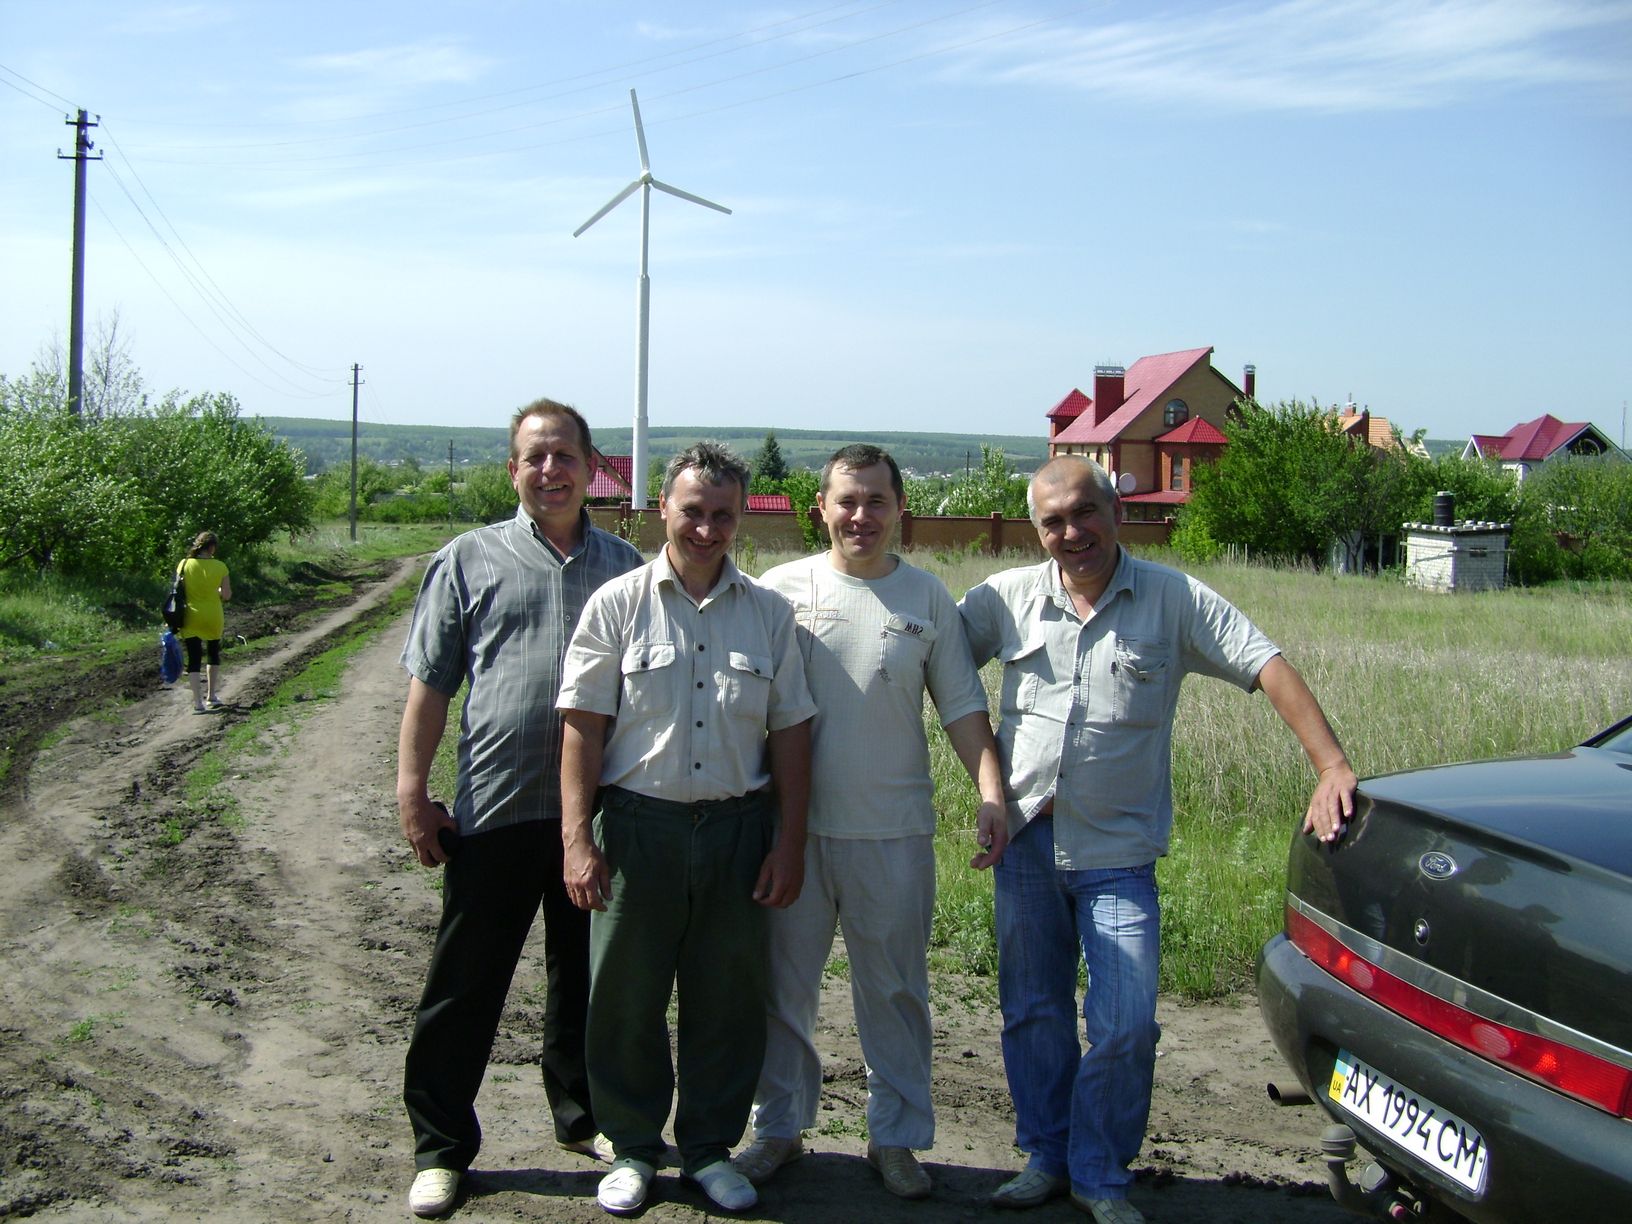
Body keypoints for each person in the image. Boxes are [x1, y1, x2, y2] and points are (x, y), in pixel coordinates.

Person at [957, 455, 1357, 1224]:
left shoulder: (1173, 599)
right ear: (1037, 531)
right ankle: (1046, 1157)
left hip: (1118, 855)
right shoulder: (1004, 600)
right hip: (1028, 844)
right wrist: (986, 786)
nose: (1072, 533)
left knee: (1127, 1022)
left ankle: (1100, 1173)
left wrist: (1331, 764)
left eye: (1085, 513)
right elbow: (937, 667)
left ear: (1117, 512)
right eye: (1053, 522)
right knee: (1032, 1011)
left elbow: (1266, 664)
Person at [733, 444, 1008, 1200]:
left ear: (899, 510)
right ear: (819, 509)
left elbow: (962, 707)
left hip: (894, 833)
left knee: (895, 992)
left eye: (876, 501)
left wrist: (991, 792)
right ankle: (779, 1129)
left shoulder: (926, 598)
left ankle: (896, 1138)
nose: (861, 516)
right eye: (847, 501)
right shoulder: (778, 591)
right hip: (791, 835)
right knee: (782, 990)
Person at [396, 398, 643, 1219]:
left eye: (564, 454)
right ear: (513, 470)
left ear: (591, 467)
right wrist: (412, 791)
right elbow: (431, 687)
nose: (550, 469)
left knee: (589, 982)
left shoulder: (627, 567)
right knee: (464, 985)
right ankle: (440, 1148)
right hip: (494, 810)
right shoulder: (468, 560)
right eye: (534, 456)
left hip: (596, 819)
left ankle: (586, 1117)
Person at [557, 442, 815, 1217]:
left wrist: (789, 842)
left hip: (738, 833)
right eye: (692, 511)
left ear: (741, 519)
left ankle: (708, 1150)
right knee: (624, 999)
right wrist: (577, 839)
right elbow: (582, 725)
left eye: (722, 515)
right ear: (662, 508)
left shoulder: (769, 614)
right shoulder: (617, 604)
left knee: (727, 1001)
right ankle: (633, 1146)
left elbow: (790, 733)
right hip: (639, 832)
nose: (706, 529)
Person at [175, 531, 232, 713]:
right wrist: (216, 591)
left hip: (191, 615)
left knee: (194, 658)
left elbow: (178, 590)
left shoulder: (184, 564)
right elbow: (226, 595)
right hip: (213, 615)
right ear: (212, 547)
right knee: (213, 653)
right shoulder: (221, 566)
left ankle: (197, 703)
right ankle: (211, 696)